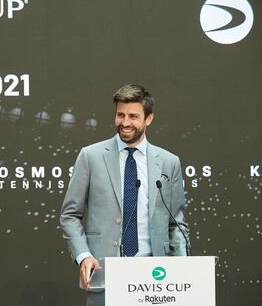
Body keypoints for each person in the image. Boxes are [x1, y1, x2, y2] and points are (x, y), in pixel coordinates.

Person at [60, 84, 190, 306]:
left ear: (148, 119)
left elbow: (176, 224)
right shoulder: (90, 156)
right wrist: (83, 255)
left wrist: (183, 269)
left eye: (133, 116)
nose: (125, 122)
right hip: (105, 275)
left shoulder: (169, 162)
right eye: (120, 115)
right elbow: (69, 215)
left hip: (157, 279)